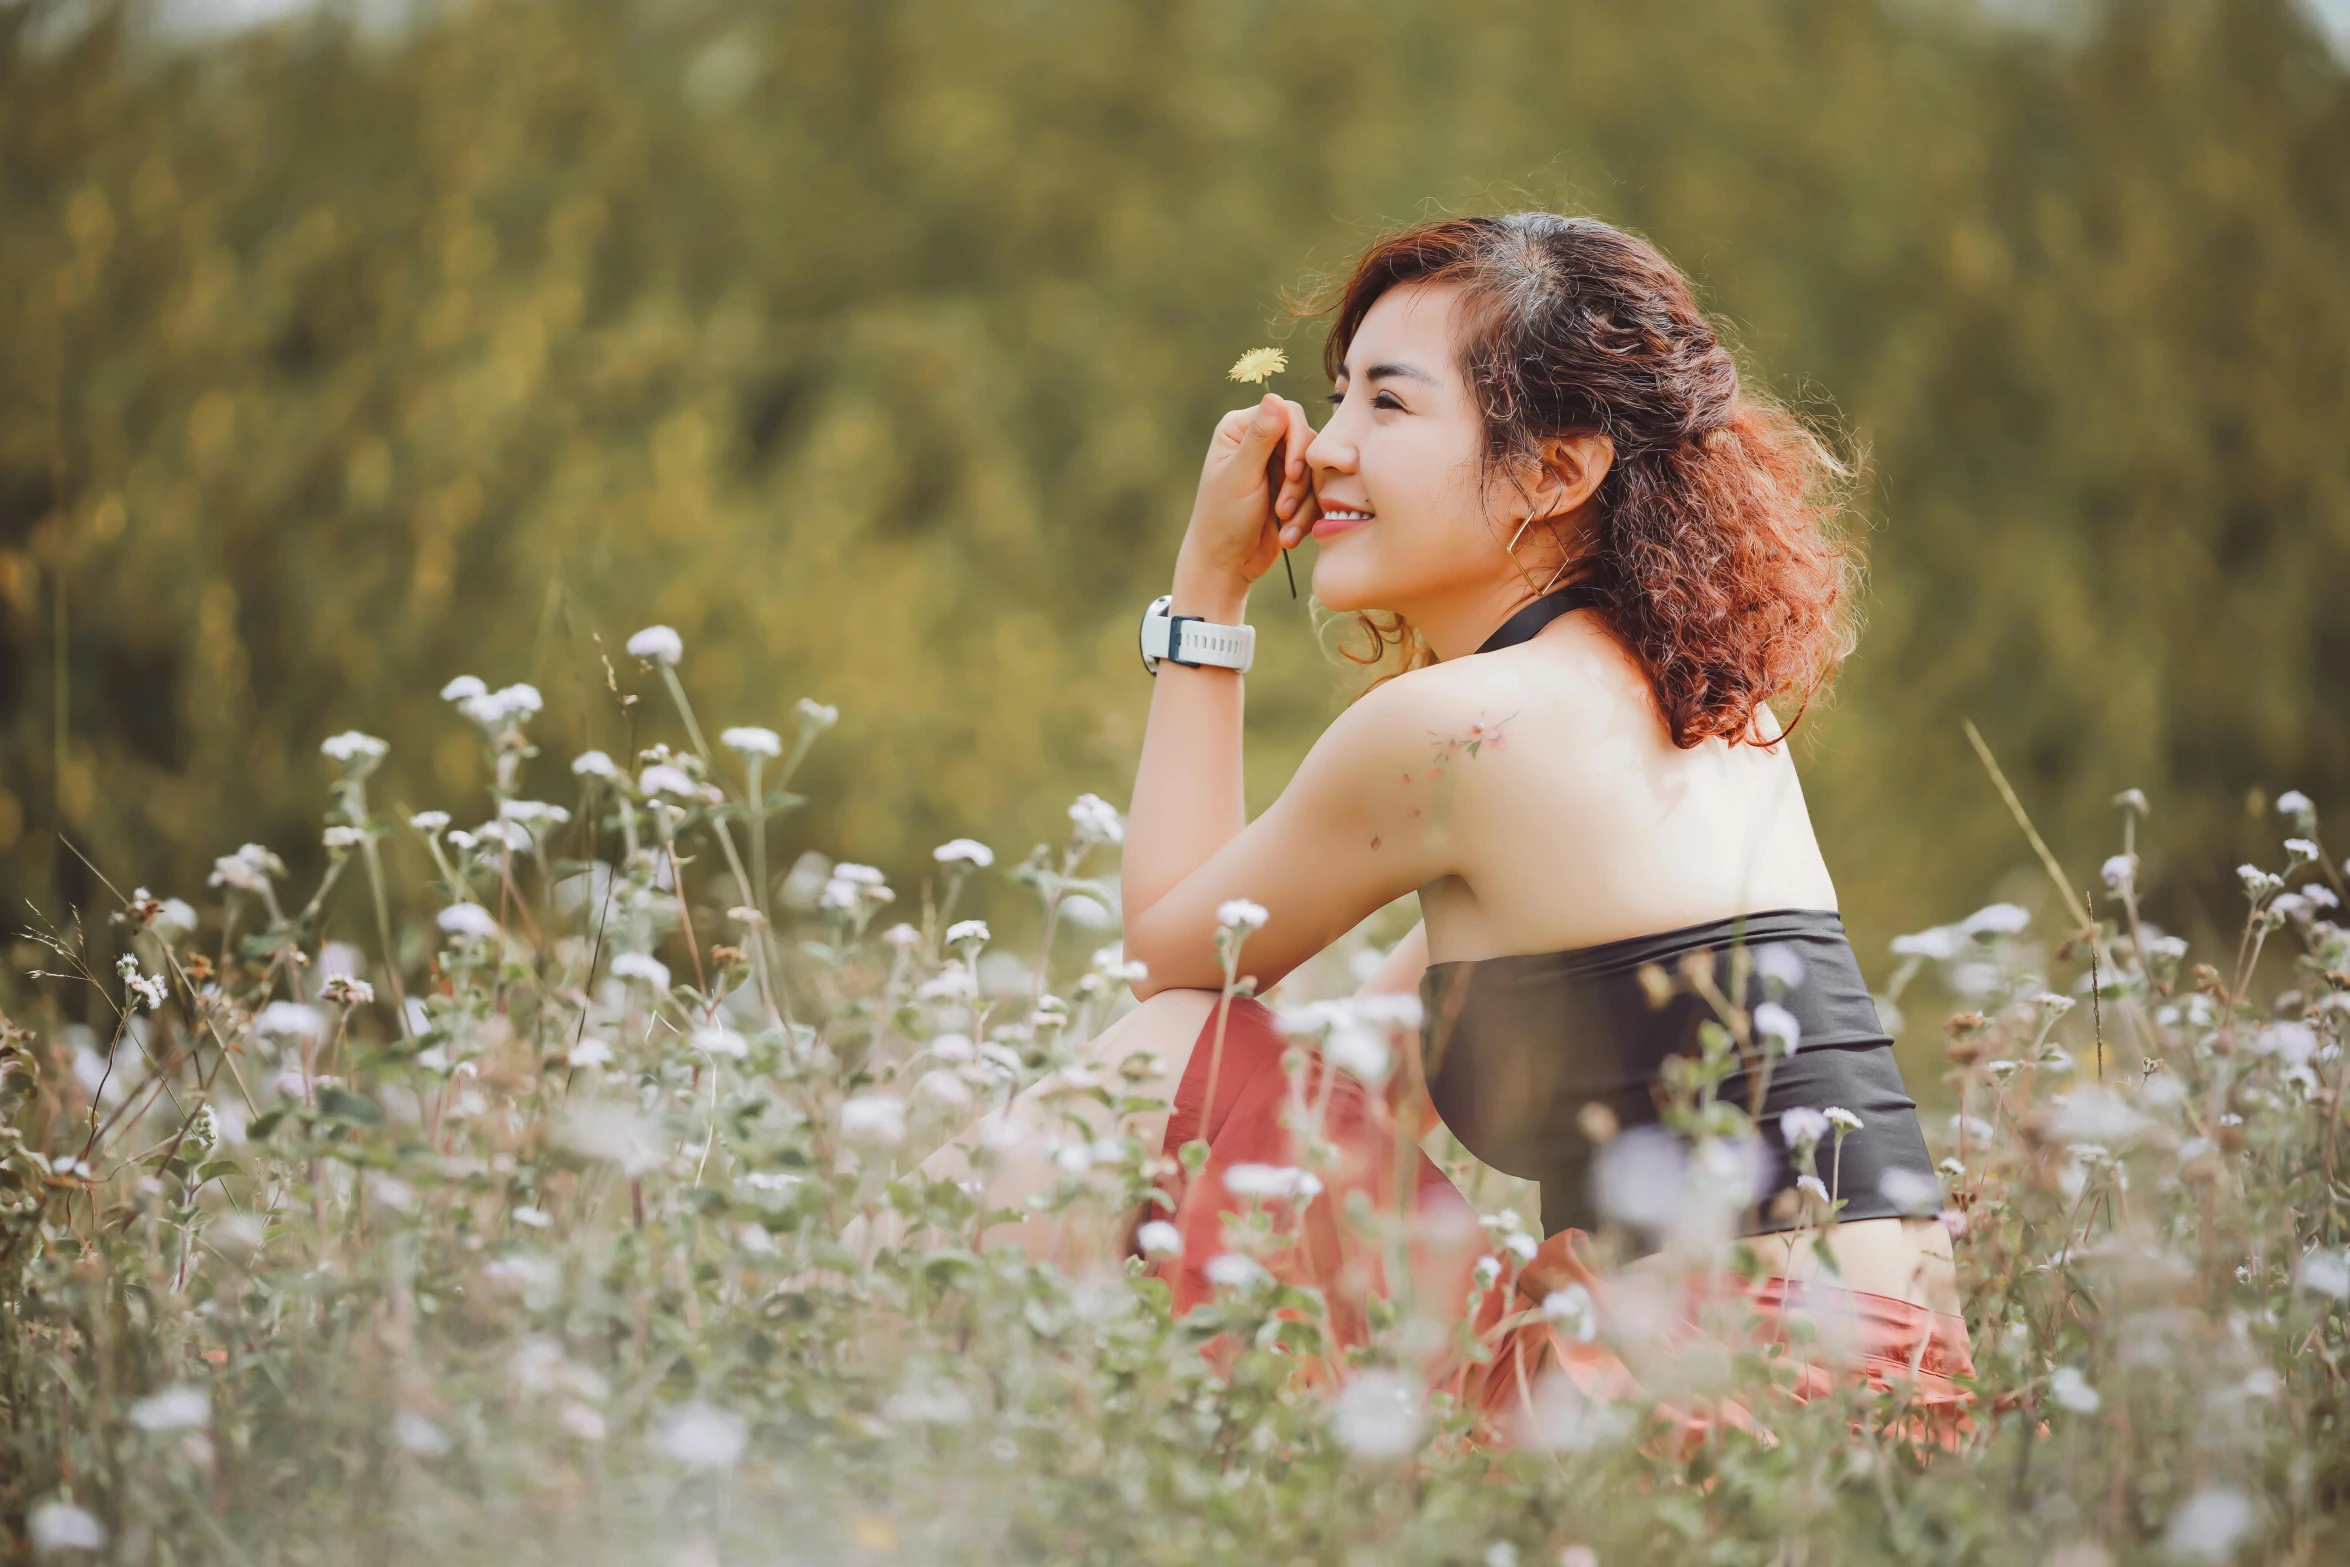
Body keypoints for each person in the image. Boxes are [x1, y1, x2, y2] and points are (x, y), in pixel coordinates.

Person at [906, 212, 1969, 1439]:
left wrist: (1206, 592)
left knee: (1166, 1048)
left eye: (1390, 406)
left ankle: (813, 1370)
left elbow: (1174, 961)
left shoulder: (1465, 726)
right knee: (1209, 1079)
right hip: (1887, 1408)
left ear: (1555, 474)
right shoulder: (1696, 705)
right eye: (1336, 393)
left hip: (1709, 1411)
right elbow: (1341, 1091)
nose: (1327, 450)